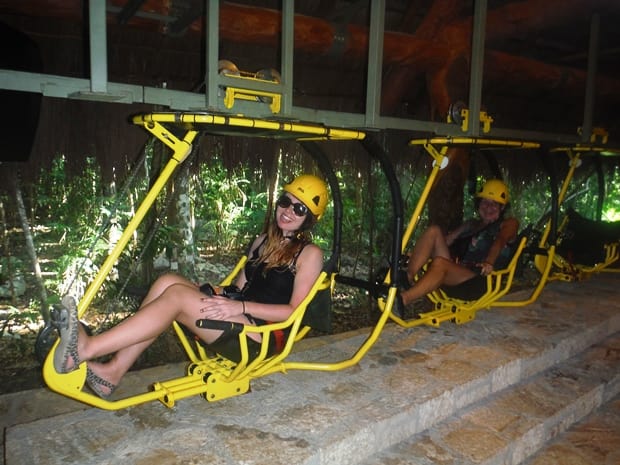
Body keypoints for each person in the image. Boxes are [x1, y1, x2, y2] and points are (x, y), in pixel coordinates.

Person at [52, 174, 329, 399]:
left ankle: (87, 350)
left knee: (176, 297)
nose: (288, 211)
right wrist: (212, 291)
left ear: (310, 217)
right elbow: (238, 287)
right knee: (168, 281)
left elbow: (293, 312)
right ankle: (113, 371)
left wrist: (239, 306)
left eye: (299, 208)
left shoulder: (309, 254)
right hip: (237, 317)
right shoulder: (261, 242)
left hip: (259, 338)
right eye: (285, 201)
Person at [399, 179, 519, 308]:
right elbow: (445, 241)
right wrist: (419, 254)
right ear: (478, 204)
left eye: (494, 204)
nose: (488, 207)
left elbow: (500, 241)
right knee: (434, 231)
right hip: (457, 273)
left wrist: (489, 262)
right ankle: (408, 277)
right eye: (484, 202)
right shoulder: (471, 224)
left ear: (502, 207)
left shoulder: (509, 223)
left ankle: (403, 300)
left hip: (481, 281)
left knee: (440, 263)